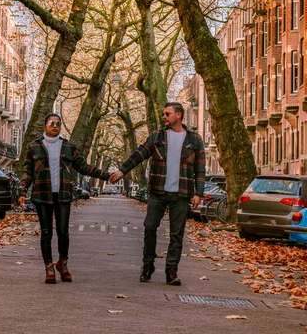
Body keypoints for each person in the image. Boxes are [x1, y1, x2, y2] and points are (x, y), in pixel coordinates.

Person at [110, 102, 205, 286]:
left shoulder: (195, 140)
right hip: (158, 191)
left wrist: (198, 193)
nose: (164, 117)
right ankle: (148, 265)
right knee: (150, 227)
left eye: (167, 114)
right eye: (163, 114)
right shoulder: (157, 136)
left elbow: (200, 170)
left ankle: (171, 270)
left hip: (182, 193)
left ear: (178, 115)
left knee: (177, 233)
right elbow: (139, 154)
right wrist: (122, 171)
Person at [18, 113, 110, 284]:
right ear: (45, 125)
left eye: (58, 124)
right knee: (46, 233)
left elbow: (83, 167)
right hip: (42, 194)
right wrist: (22, 191)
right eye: (51, 123)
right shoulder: (34, 147)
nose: (55, 126)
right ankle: (49, 267)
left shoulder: (68, 147)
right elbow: (27, 171)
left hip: (63, 195)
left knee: (63, 232)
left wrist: (107, 176)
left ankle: (63, 263)